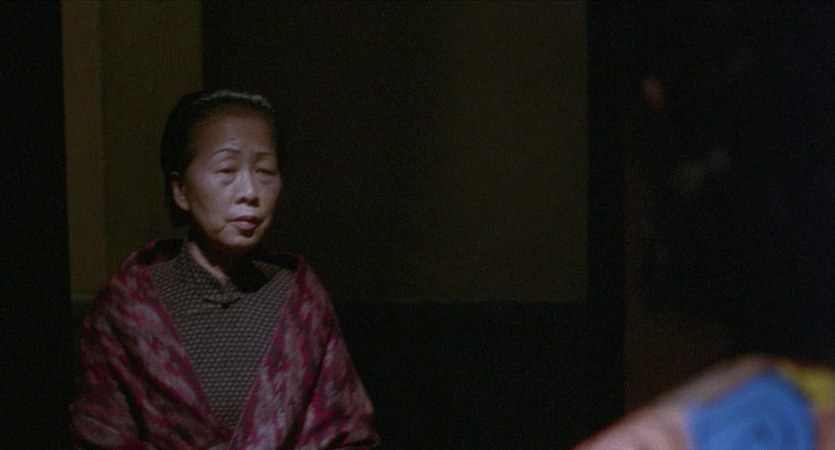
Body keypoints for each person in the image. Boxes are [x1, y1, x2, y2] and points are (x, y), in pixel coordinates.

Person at [70, 89, 379, 449]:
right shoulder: (128, 309)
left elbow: (347, 434)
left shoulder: (301, 302)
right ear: (180, 190)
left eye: (265, 171)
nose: (250, 191)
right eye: (227, 170)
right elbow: (99, 435)